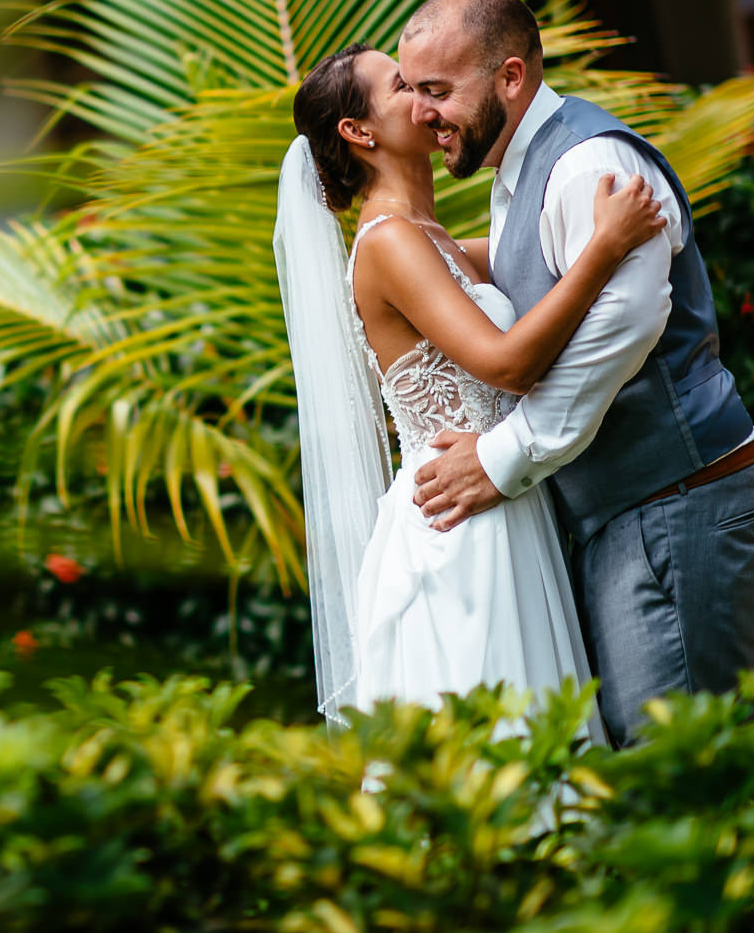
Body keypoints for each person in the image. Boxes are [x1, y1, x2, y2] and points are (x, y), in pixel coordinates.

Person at [397, 0, 754, 747]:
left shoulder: (588, 166)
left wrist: (499, 458)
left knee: (683, 765)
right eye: (410, 92)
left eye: (438, 91)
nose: (420, 113)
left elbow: (623, 331)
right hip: (627, 510)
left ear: (510, 78)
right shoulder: (517, 171)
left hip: (678, 498)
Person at [274, 43, 665, 736]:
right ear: (359, 133)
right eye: (401, 86)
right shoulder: (390, 241)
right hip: (458, 519)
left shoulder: (431, 236)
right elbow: (508, 363)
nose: (426, 101)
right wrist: (606, 247)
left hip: (500, 497)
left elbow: (530, 250)